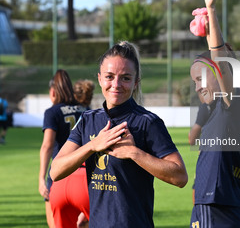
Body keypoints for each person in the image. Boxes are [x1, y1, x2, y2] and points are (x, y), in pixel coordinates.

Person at [50, 41, 188, 227]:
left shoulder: (148, 122)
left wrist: (134, 153)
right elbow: (56, 171)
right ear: (99, 79)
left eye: (125, 78)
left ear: (136, 82)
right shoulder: (88, 120)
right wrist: (92, 145)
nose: (116, 84)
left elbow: (180, 177)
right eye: (109, 76)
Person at [190, 0, 240, 228]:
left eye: (201, 78)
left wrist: (212, 10)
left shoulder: (233, 99)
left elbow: (219, 59)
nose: (198, 86)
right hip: (235, 202)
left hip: (216, 203)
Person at [39, 69, 87, 228]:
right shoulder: (84, 110)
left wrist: (41, 178)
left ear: (53, 91)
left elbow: (47, 145)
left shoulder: (52, 112)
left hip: (60, 173)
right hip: (84, 174)